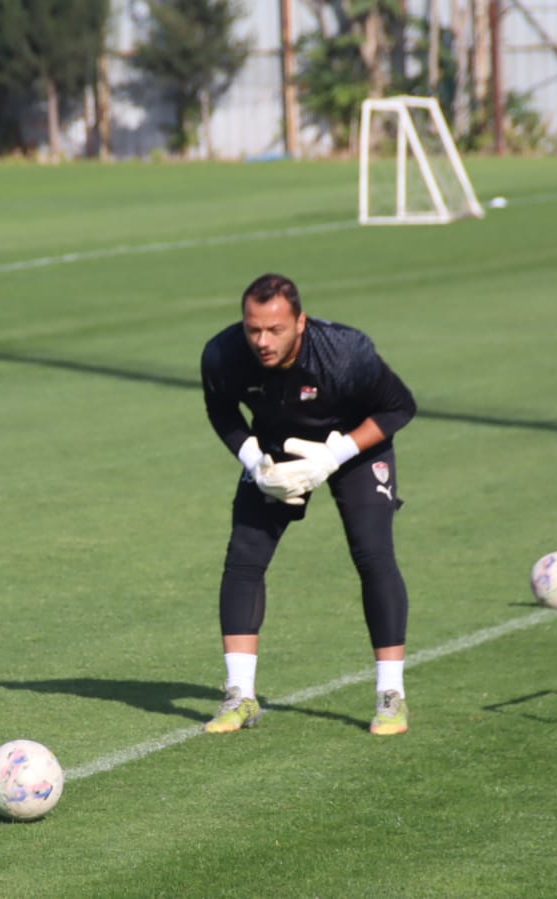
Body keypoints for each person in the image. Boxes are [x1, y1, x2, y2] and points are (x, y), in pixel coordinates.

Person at [199, 273, 417, 736]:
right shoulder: (223, 354)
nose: (262, 341)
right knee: (243, 559)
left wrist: (332, 455)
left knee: (373, 554)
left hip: (354, 447)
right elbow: (221, 410)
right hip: (277, 450)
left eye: (275, 329)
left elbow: (399, 407)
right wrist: (255, 461)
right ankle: (240, 695)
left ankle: (391, 695)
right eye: (253, 328)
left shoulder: (346, 352)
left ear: (301, 322)